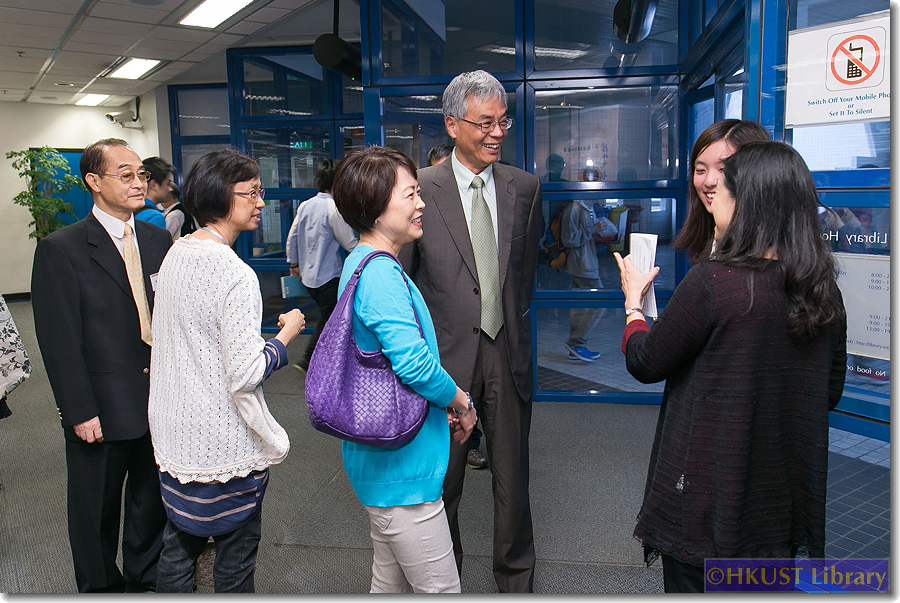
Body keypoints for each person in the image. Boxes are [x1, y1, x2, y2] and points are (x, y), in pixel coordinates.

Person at [614, 141, 847, 592]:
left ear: (752, 203)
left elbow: (646, 361)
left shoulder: (715, 282)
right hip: (777, 503)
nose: (712, 191)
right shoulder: (824, 291)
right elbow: (827, 391)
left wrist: (633, 306)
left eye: (725, 186)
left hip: (707, 498)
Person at [399, 70, 542, 593]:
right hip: (444, 362)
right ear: (452, 124)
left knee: (514, 484)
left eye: (503, 121)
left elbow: (521, 277)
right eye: (485, 122)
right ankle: (444, 582)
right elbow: (407, 281)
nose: (497, 132)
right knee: (444, 484)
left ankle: (516, 584)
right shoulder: (418, 188)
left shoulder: (525, 188)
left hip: (509, 354)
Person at [148, 148, 305, 593]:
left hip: (174, 432)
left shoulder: (176, 254)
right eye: (251, 193)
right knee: (235, 562)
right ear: (221, 196)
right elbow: (245, 372)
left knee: (177, 549)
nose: (261, 202)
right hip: (222, 442)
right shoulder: (235, 274)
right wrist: (287, 334)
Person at [331, 146, 477, 593]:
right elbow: (413, 363)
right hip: (403, 477)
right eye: (410, 194)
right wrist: (461, 401)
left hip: (387, 468)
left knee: (388, 586)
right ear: (375, 208)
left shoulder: (363, 262)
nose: (421, 204)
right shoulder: (380, 274)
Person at [31, 138, 171, 592]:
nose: (138, 183)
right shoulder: (62, 249)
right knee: (96, 515)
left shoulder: (156, 239)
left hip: (158, 401)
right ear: (93, 182)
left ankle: (144, 584)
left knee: (150, 507)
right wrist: (78, 410)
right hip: (101, 408)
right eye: (125, 174)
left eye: (142, 175)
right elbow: (59, 340)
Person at [285, 158, 357, 374]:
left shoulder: (306, 205)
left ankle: (329, 359)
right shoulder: (332, 207)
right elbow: (349, 243)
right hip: (328, 277)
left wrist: (294, 264)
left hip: (308, 278)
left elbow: (293, 236)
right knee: (331, 318)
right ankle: (309, 359)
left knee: (331, 317)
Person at [673, 119, 770, 264]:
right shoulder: (713, 236)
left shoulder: (766, 251)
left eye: (723, 170)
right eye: (700, 170)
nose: (709, 181)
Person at [559, 198, 605, 362]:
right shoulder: (574, 208)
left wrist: (607, 238)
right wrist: (593, 229)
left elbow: (585, 239)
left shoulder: (588, 207)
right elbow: (569, 239)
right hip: (582, 264)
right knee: (600, 302)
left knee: (579, 305)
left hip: (585, 263)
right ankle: (577, 343)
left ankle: (576, 349)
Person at [134, 156, 172, 231]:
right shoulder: (153, 216)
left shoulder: (132, 210)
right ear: (153, 185)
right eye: (168, 183)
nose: (170, 189)